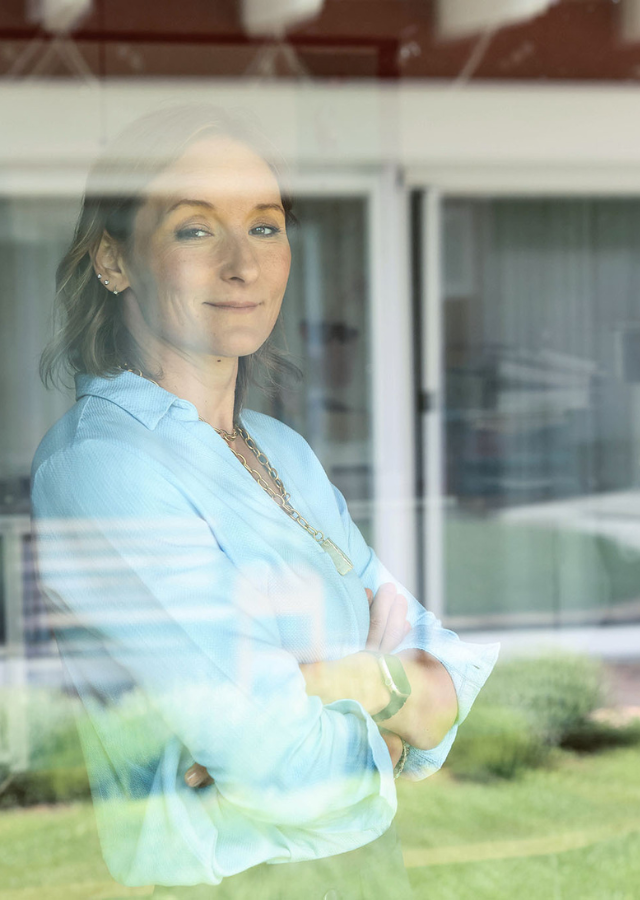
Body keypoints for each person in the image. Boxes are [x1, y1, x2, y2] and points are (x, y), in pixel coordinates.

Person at [30, 106, 499, 898]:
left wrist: (345, 684)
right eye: (194, 230)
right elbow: (281, 767)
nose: (242, 265)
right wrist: (389, 707)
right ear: (113, 261)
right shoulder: (103, 465)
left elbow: (445, 665)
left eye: (265, 227)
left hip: (362, 872)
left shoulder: (282, 451)